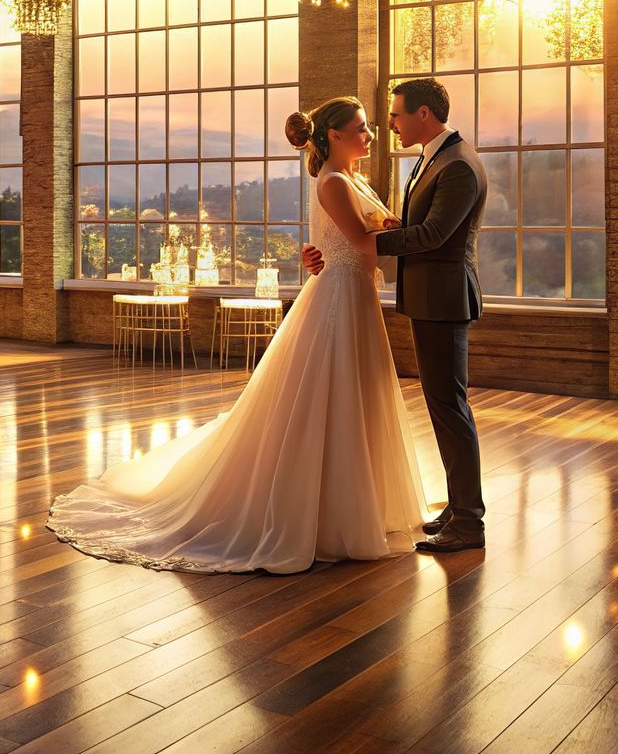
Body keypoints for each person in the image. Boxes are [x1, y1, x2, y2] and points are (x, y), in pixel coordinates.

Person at [46, 96, 427, 573]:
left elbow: (349, 239)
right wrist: (406, 234)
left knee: (355, 395)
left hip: (352, 293)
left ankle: (355, 503)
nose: (370, 135)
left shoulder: (351, 179)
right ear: (334, 135)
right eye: (361, 128)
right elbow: (363, 244)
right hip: (340, 295)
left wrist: (361, 237)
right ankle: (328, 512)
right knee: (331, 394)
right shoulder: (333, 181)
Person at [306, 77, 488, 553]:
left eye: (395, 115)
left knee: (449, 408)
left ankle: (469, 523)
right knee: (444, 407)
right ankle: (458, 507)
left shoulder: (457, 164)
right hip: (426, 296)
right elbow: (406, 226)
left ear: (423, 114)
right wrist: (331, 246)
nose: (388, 125)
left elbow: (433, 234)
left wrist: (357, 242)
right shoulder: (434, 158)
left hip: (444, 298)